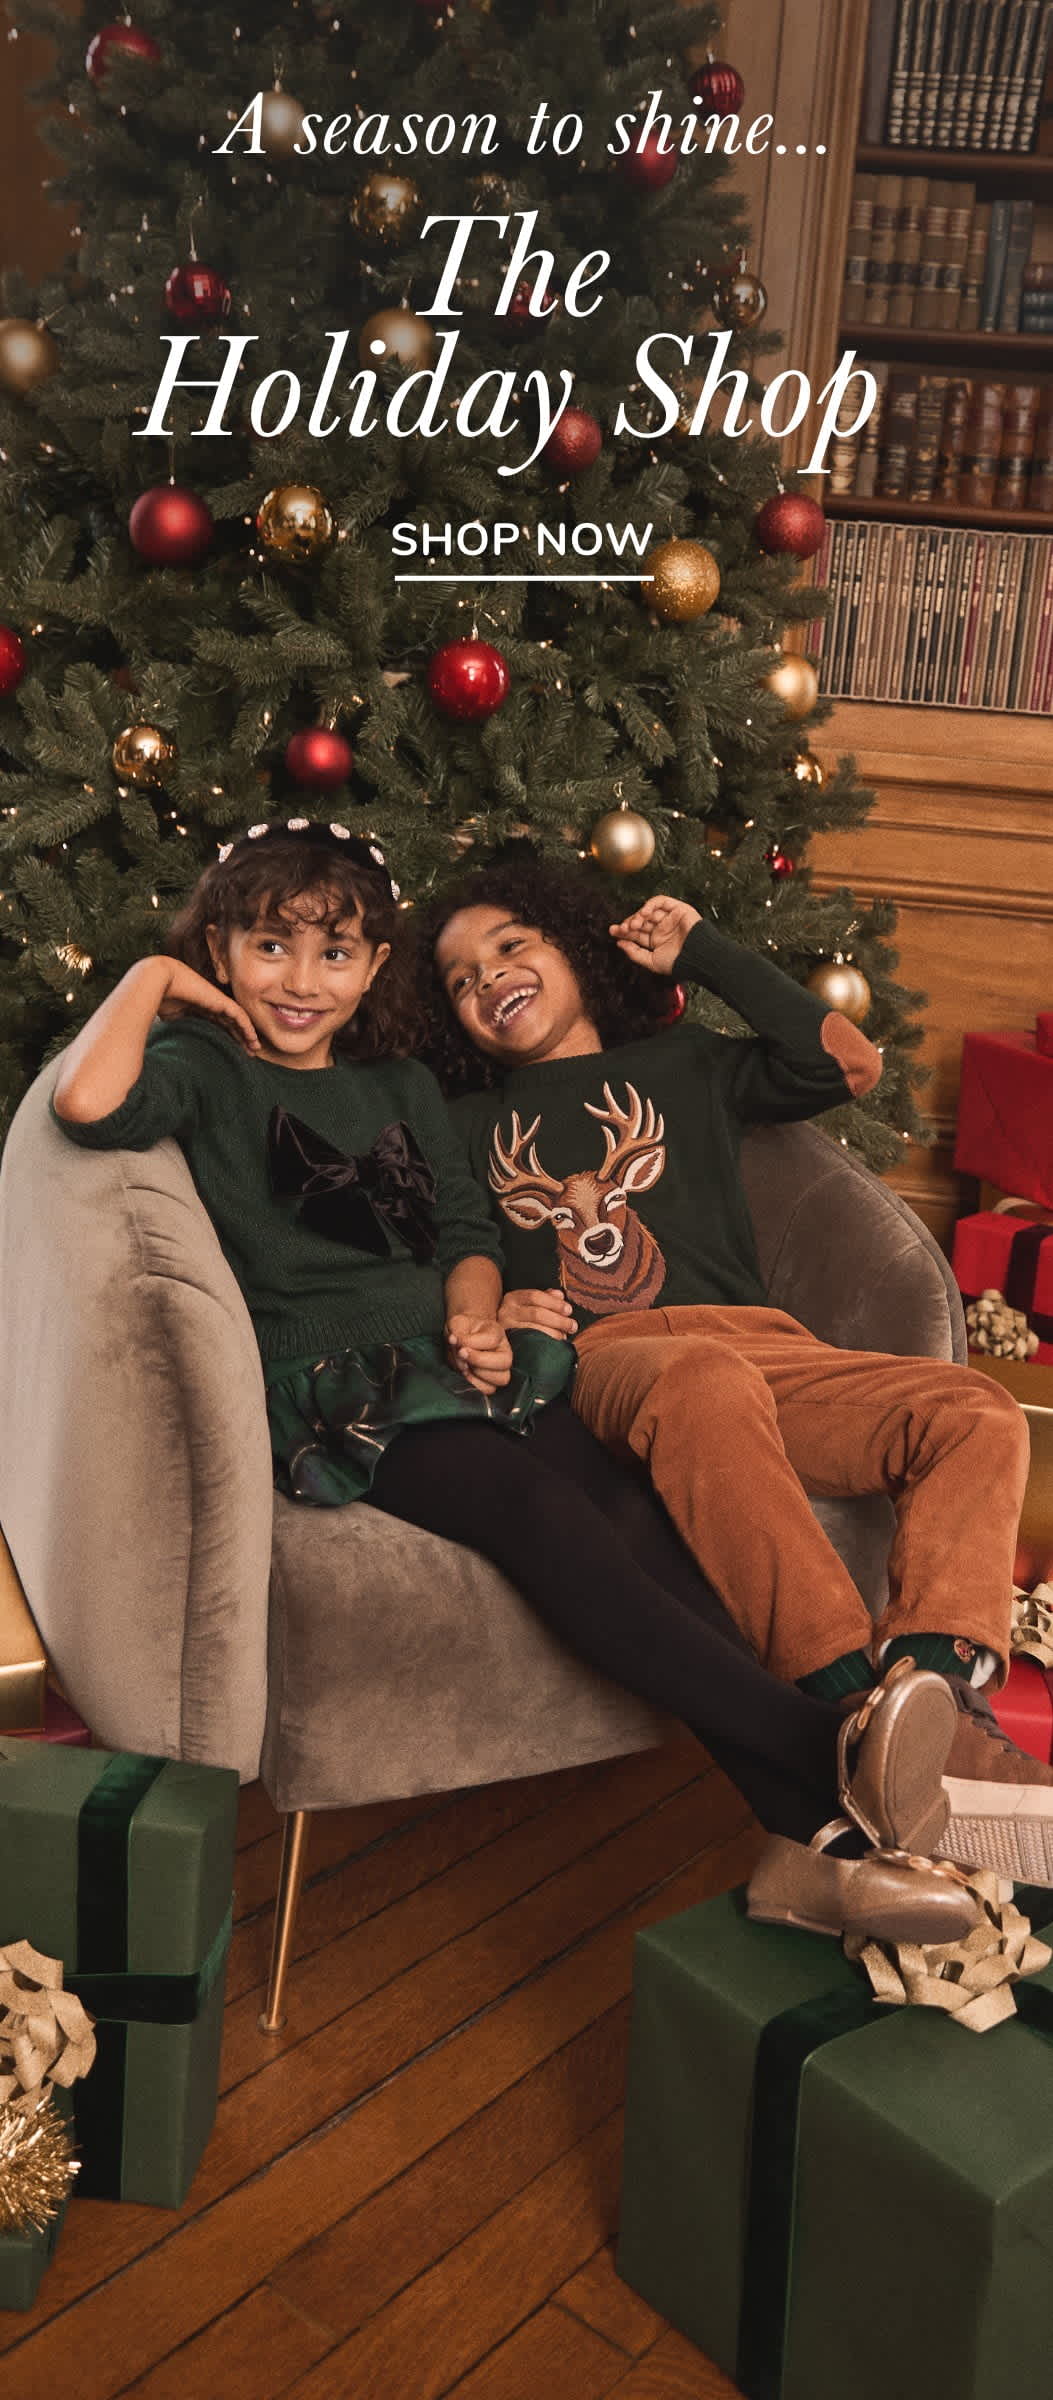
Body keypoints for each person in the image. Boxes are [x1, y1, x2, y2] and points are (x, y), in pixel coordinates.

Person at [48, 815, 978, 1946]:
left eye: (334, 953)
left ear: (375, 969)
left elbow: (463, 1226)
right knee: (541, 1514)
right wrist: (154, 974)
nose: (300, 981)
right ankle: (828, 1757)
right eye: (268, 948)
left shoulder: (401, 1083)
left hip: (461, 1361)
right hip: (345, 1391)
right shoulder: (206, 1071)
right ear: (224, 950)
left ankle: (809, 1850)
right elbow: (83, 1105)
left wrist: (477, 1316)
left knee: (636, 1508)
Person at [422, 848, 1053, 1887]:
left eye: (509, 946)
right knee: (700, 1384)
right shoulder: (466, 1123)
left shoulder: (688, 1064)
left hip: (767, 1343)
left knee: (976, 1408)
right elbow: (435, 1242)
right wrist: (493, 1305)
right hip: (615, 1358)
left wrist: (703, 950)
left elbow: (849, 1065)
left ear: (573, 950)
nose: (487, 977)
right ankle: (852, 1713)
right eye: (459, 979)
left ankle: (927, 1709)